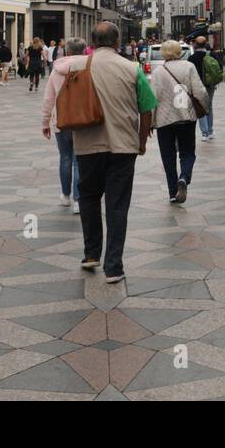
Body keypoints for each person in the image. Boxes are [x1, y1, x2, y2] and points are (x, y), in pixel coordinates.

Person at [66, 22, 157, 283]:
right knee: (117, 206)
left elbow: (68, 103)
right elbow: (147, 108)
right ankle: (113, 266)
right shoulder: (132, 68)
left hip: (87, 145)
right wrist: (142, 142)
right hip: (123, 146)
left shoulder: (77, 66)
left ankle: (91, 253)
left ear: (92, 42)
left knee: (89, 199)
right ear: (118, 42)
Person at [149, 39, 208, 204]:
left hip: (164, 120)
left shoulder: (158, 72)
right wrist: (205, 108)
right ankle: (184, 177)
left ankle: (173, 192)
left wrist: (151, 122)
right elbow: (200, 91)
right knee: (187, 152)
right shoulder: (189, 67)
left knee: (168, 157)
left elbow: (153, 98)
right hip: (186, 117)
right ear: (179, 51)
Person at [41, 38, 89, 214]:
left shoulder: (56, 71)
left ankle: (65, 196)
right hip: (84, 120)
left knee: (65, 158)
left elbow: (48, 99)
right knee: (79, 160)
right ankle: (78, 200)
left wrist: (45, 121)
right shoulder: (88, 68)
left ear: (67, 52)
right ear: (84, 51)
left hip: (61, 120)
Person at [186, 36, 220, 141]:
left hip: (197, 86)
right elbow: (219, 68)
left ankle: (204, 133)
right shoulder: (212, 55)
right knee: (209, 106)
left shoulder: (192, 58)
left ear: (195, 44)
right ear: (206, 44)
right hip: (210, 85)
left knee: (200, 107)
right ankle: (210, 130)